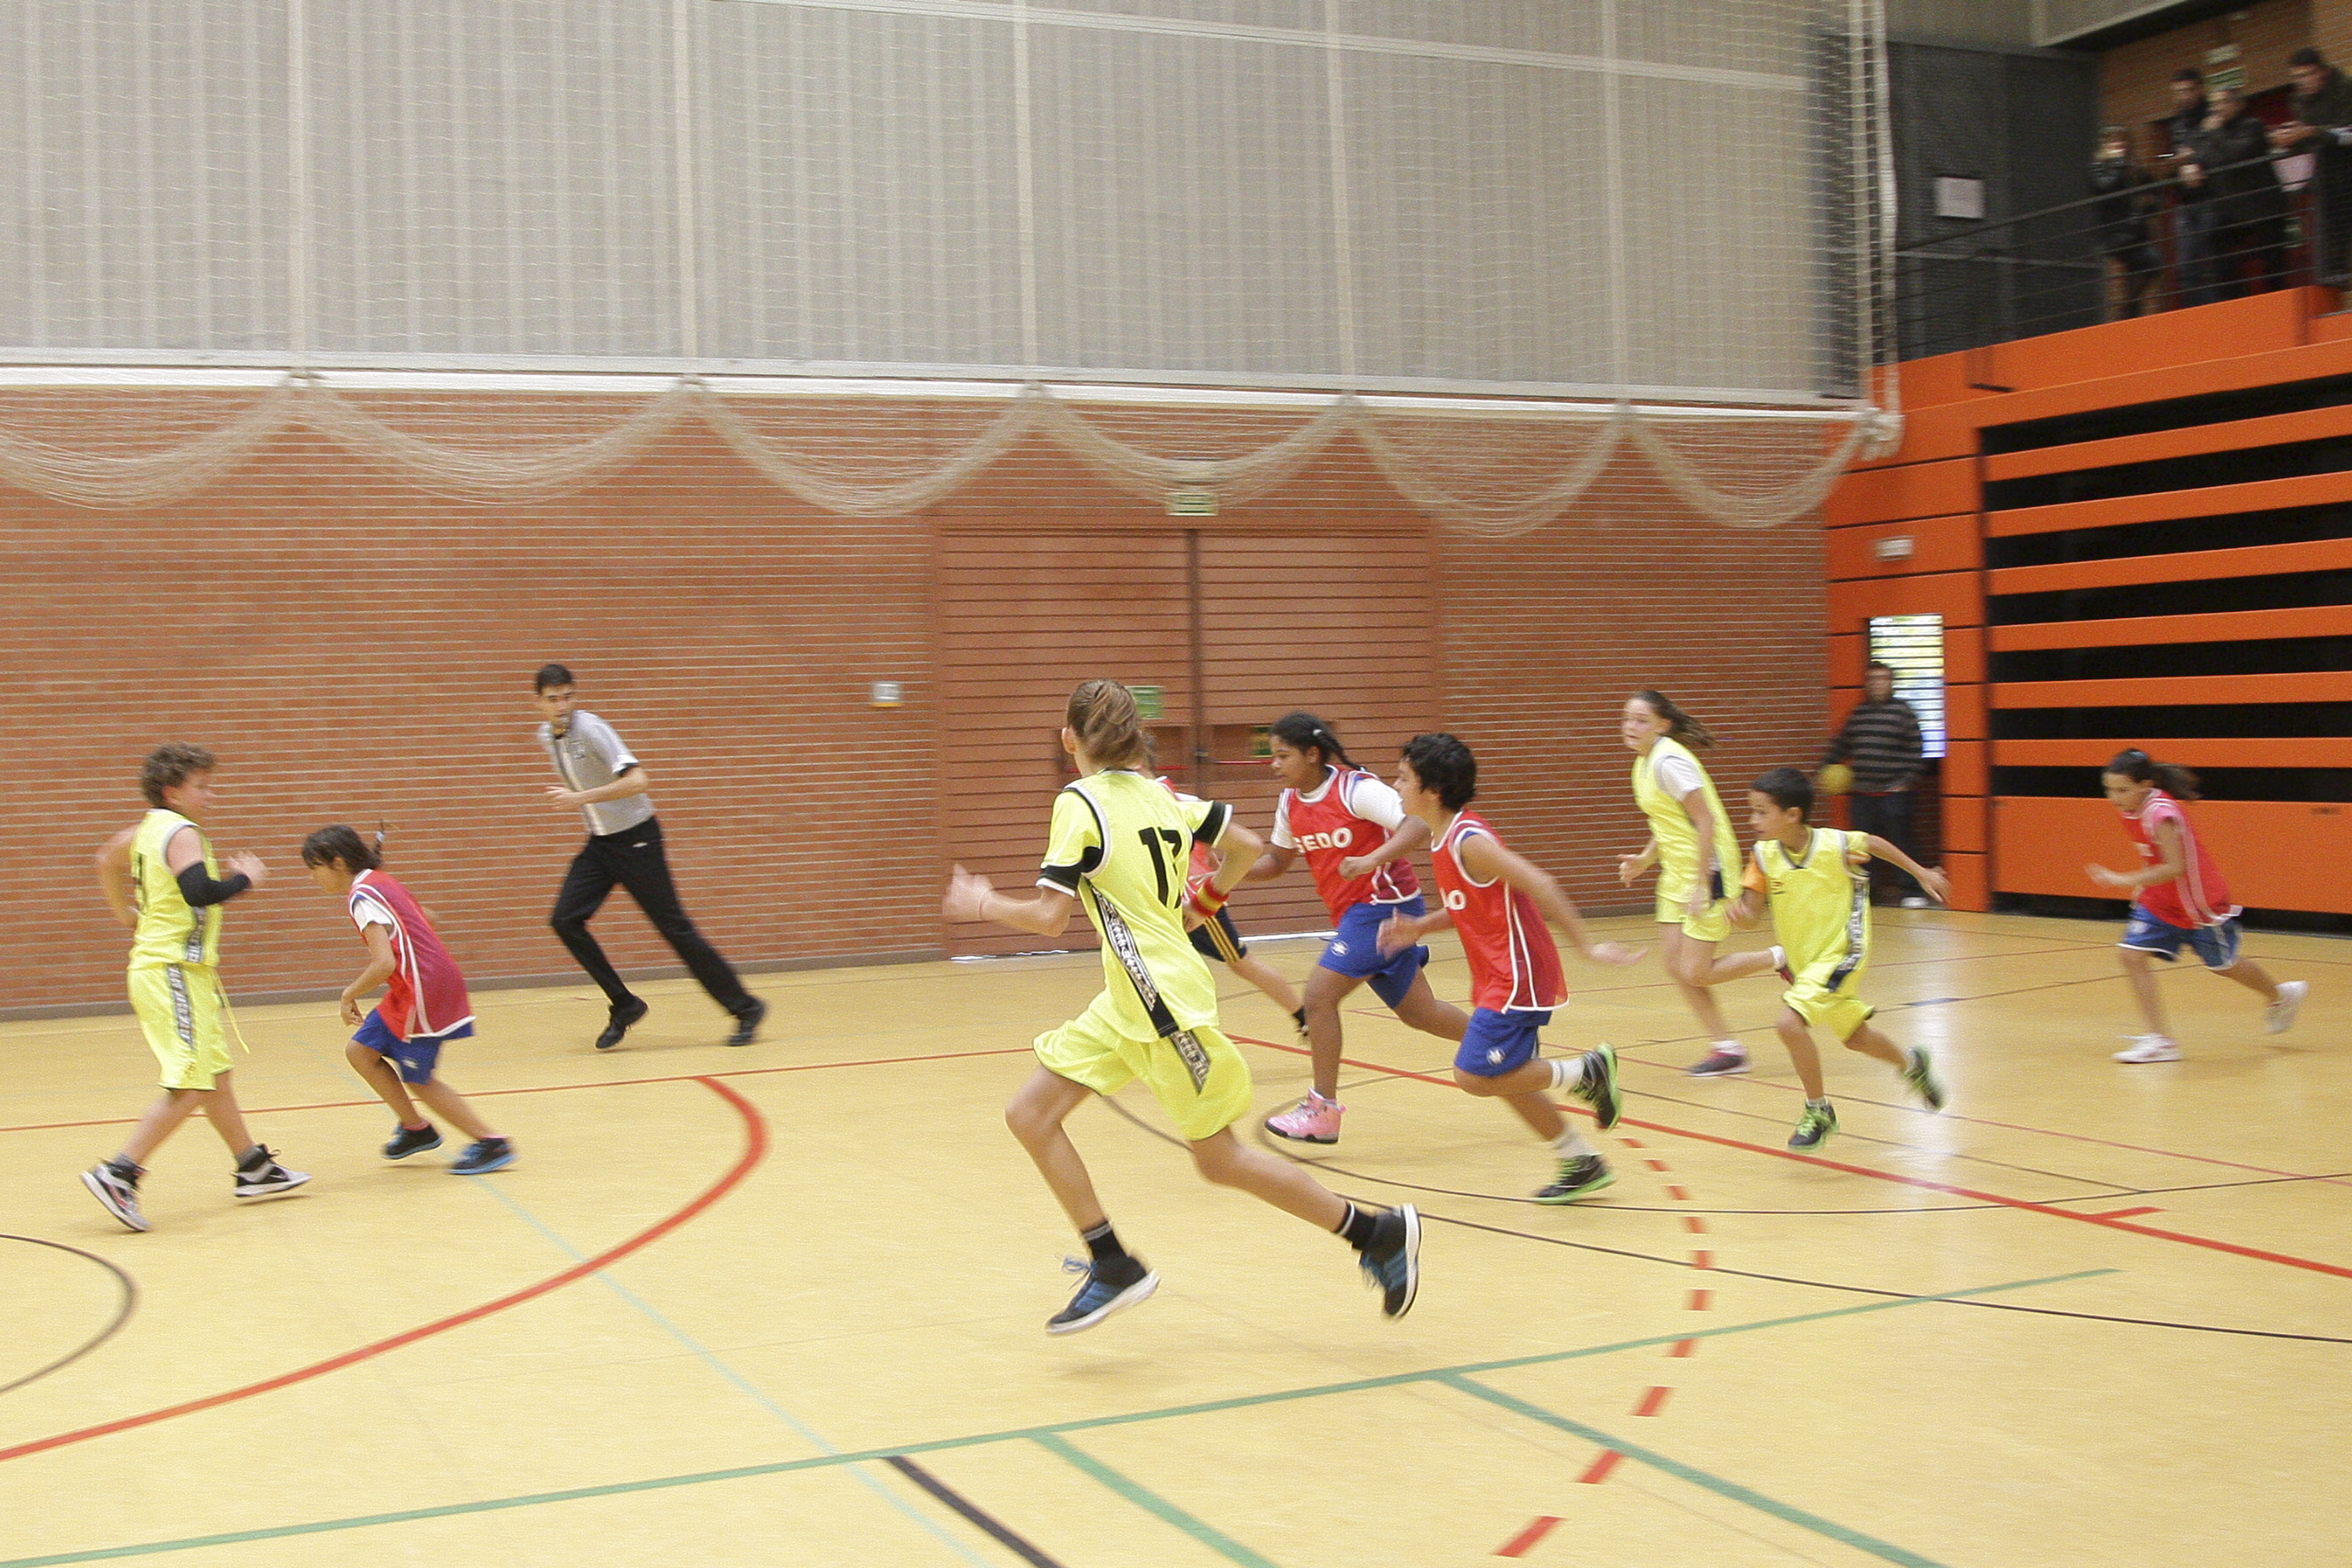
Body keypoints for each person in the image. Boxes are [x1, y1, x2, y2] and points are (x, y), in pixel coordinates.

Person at [943, 681, 1420, 1333]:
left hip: (1161, 1005)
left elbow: (1052, 918)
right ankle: (1112, 1263)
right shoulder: (1164, 795)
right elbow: (1245, 846)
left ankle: (1376, 1233)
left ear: (1070, 739)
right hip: (1127, 999)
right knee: (1030, 1115)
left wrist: (984, 904)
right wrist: (1206, 901)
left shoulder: (1079, 802)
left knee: (1220, 1159)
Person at [1375, 734, 1641, 1201]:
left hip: (1518, 974)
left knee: (1473, 1075)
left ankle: (1588, 1071)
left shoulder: (1469, 840)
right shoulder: (1443, 837)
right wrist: (1420, 927)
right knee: (1508, 1075)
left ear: (1432, 790)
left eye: (1403, 778)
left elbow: (1542, 883)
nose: (1396, 786)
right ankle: (1580, 1160)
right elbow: (1467, 904)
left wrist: (1587, 947)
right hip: (1499, 973)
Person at [82, 743, 308, 1232]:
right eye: (202, 786)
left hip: (180, 973)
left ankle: (252, 1167)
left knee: (215, 1075)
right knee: (191, 1083)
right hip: (172, 972)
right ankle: (119, 1173)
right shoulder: (181, 832)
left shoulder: (146, 830)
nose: (211, 794)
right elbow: (200, 892)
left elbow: (105, 859)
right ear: (173, 793)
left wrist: (125, 913)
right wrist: (244, 879)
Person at [1245, 712, 1469, 1147]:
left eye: (1283, 756)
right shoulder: (1290, 802)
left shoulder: (1356, 789)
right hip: (1356, 915)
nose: (1274, 765)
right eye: (1273, 756)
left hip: (1384, 906)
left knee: (1318, 997)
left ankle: (1323, 1111)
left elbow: (1418, 823)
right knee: (1420, 1013)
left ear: (1313, 754)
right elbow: (1275, 862)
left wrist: (1372, 859)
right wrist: (1228, 871)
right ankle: (1507, 1044)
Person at [533, 664, 766, 1050]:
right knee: (565, 920)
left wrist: (580, 799)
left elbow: (639, 780)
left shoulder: (592, 729)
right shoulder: (546, 736)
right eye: (553, 699)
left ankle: (746, 1008)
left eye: (568, 697)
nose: (562, 706)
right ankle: (625, 1004)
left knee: (674, 928)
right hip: (601, 844)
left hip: (637, 840)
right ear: (539, 703)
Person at [1727, 768, 1950, 1151]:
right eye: (1753, 812)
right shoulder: (1763, 857)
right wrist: (1737, 915)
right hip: (1806, 964)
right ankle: (1913, 1066)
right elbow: (1751, 914)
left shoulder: (1834, 844)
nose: (1753, 820)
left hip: (1844, 952)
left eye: (1761, 812)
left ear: (1793, 814)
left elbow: (1875, 843)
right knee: (1856, 1038)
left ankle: (1819, 1111)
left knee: (1788, 1024)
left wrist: (1920, 873)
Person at [301, 826, 515, 1174]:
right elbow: (427, 917)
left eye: (315, 868)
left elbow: (383, 963)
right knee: (361, 1052)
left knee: (419, 1078)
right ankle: (416, 1129)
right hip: (412, 986)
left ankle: (491, 1142)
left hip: (423, 989)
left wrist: (348, 994)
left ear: (337, 863)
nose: (312, 877)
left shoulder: (361, 897)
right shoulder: (380, 881)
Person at [2086, 750, 2305, 1063]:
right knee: (2130, 955)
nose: (2114, 797)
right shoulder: (2133, 808)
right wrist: (2143, 885)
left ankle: (2281, 995)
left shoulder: (2161, 814)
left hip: (2198, 903)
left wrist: (2123, 879)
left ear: (2146, 785)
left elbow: (2175, 866)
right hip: (2162, 900)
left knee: (2225, 965)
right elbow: (2153, 855)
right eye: (2109, 790)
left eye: (2123, 790)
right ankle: (2160, 1040)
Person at [1616, 691, 1754, 1077]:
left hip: (1709, 868)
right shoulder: (1643, 763)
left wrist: (1702, 884)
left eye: (1641, 720)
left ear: (1663, 725)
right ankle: (1728, 1049)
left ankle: (1779, 958)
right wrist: (1645, 860)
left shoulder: (1670, 762)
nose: (1630, 727)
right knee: (1677, 966)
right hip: (1676, 871)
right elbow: (1669, 822)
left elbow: (1705, 820)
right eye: (1626, 719)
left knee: (1695, 970)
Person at [1155, 772, 1310, 1042]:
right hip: (1167, 900)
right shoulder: (1179, 800)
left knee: (1241, 963)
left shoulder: (1159, 799)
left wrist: (1210, 867)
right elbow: (1209, 837)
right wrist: (1211, 859)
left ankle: (1304, 1017)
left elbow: (1221, 840)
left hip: (1193, 902)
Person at [1822, 661, 1933, 908]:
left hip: (1895, 792)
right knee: (1861, 845)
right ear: (1867, 684)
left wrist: (1906, 782)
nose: (1878, 683)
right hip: (1862, 792)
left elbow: (1917, 750)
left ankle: (1911, 890)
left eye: (1883, 679)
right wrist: (1825, 768)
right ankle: (1866, 892)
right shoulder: (1858, 714)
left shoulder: (1903, 713)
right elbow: (1841, 746)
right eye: (1873, 679)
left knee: (1901, 841)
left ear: (1891, 683)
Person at [2191, 86, 2289, 297]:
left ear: (2238, 105)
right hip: (2232, 211)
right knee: (2217, 247)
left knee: (2273, 265)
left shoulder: (2252, 127)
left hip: (2265, 209)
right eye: (2214, 104)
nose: (2217, 109)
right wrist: (2189, 167)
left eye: (2223, 102)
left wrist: (2214, 133)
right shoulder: (2208, 135)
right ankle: (2234, 302)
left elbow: (2237, 155)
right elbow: (2202, 158)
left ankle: (2278, 303)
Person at [2276, 47, 2352, 286]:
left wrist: (2311, 132)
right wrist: (2291, 138)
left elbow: (2348, 132)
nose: (2302, 82)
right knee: (2330, 248)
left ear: (2323, 72)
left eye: (2307, 75)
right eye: (2297, 77)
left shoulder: (2345, 89)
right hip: (2327, 179)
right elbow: (2309, 139)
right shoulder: (2298, 100)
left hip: (2348, 171)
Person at [2159, 68, 2221, 306]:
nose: (2183, 97)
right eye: (2178, 92)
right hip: (2185, 201)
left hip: (2211, 197)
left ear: (2200, 89)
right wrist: (2179, 166)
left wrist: (2193, 162)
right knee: (2185, 268)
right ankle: (2195, 314)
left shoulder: (2213, 115)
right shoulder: (2178, 124)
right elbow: (2180, 156)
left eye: (2187, 91)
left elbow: (2216, 150)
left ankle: (2216, 312)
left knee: (2211, 262)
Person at [2091, 126, 2162, 319]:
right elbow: (2104, 187)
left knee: (2139, 271)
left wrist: (2149, 208)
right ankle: (2128, 308)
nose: (2119, 145)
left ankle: (2130, 312)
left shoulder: (2132, 168)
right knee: (2152, 262)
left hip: (2136, 230)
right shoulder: (2099, 167)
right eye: (2114, 142)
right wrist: (2117, 163)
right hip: (2115, 233)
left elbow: (2155, 189)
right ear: (2105, 146)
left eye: (2122, 141)